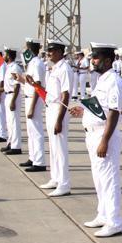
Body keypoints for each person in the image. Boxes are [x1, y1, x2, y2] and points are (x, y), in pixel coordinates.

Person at [69, 42, 122, 237]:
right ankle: (103, 214)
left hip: (104, 135)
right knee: (99, 179)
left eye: (96, 58)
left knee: (109, 179)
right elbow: (99, 106)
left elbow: (114, 112)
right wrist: (82, 110)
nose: (92, 61)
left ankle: (114, 221)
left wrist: (105, 140)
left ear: (108, 60)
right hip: (92, 133)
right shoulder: (102, 79)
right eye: (92, 57)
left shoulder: (114, 81)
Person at [38, 40, 73, 197]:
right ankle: (55, 178)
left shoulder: (64, 68)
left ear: (60, 52)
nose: (49, 53)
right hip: (50, 108)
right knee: (53, 147)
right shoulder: (54, 68)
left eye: (52, 51)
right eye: (48, 51)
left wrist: (60, 119)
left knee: (60, 148)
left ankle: (64, 183)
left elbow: (65, 95)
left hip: (59, 110)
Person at [21, 38, 48, 172]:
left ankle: (39, 162)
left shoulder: (36, 63)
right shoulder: (31, 63)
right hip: (29, 97)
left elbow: (38, 86)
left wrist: (32, 106)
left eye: (26, 48)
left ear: (31, 50)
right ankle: (33, 157)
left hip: (34, 99)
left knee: (36, 131)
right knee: (31, 131)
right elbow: (31, 83)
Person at [1, 49, 23, 155]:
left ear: (8, 56)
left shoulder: (15, 68)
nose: (3, 56)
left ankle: (16, 146)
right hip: (8, 95)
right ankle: (10, 143)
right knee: (9, 123)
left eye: (5, 54)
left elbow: (17, 85)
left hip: (13, 96)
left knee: (14, 123)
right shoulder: (9, 67)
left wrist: (13, 101)